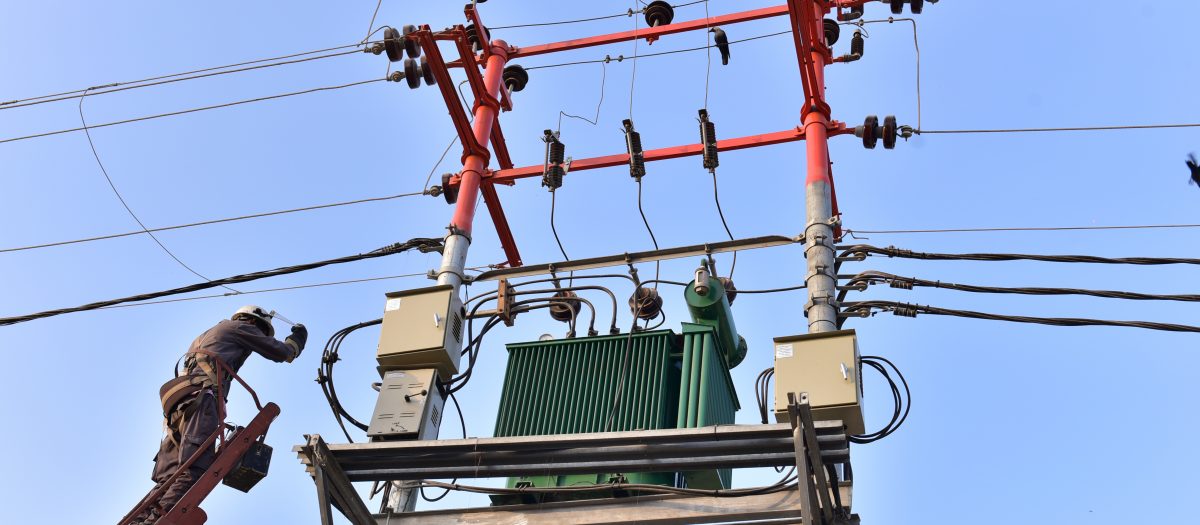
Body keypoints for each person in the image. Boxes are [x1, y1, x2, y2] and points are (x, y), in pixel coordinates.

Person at [132, 306, 307, 524]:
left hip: (177, 404)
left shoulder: (206, 335)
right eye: (261, 333)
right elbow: (283, 353)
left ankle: (138, 521)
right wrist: (297, 340)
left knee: (168, 479)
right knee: (193, 470)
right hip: (201, 400)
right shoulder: (240, 327)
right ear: (254, 322)